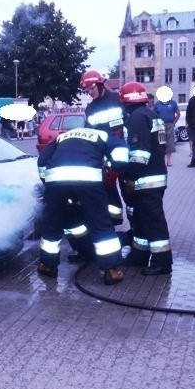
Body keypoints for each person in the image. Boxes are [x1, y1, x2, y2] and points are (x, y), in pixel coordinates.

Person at [37, 126, 125, 285]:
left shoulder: (64, 136)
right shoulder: (104, 134)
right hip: (89, 179)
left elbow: (42, 161)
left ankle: (47, 266)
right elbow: (120, 154)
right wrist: (115, 167)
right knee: (100, 223)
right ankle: (111, 270)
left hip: (56, 179)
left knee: (52, 223)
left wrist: (47, 180)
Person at [116, 81, 173, 275]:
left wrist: (128, 176)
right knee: (139, 220)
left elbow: (140, 154)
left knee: (153, 222)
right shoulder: (149, 114)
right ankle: (139, 255)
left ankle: (162, 262)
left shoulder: (137, 118)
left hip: (145, 180)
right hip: (151, 178)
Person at [80, 69, 126, 232]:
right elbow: (90, 133)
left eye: (91, 88)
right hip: (106, 157)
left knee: (130, 192)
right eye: (86, 90)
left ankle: (137, 227)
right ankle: (114, 222)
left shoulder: (118, 99)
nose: (89, 93)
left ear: (100, 85)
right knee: (108, 191)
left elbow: (130, 121)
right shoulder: (90, 109)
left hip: (124, 153)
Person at [153, 91, 180, 167]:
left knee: (170, 142)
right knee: (161, 142)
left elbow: (178, 114)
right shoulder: (157, 104)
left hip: (170, 125)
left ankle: (169, 160)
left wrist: (173, 123)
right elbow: (153, 114)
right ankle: (161, 160)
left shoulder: (173, 103)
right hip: (160, 125)